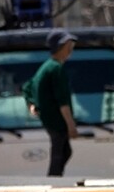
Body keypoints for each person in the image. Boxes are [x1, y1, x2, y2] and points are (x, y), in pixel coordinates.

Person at [22, 28, 79, 176]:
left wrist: (31, 104)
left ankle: (55, 178)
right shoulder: (55, 68)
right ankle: (54, 181)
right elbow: (62, 101)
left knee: (65, 151)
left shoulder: (47, 66)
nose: (71, 48)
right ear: (62, 46)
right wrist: (71, 125)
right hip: (56, 120)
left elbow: (27, 87)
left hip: (49, 119)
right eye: (68, 45)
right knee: (59, 152)